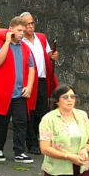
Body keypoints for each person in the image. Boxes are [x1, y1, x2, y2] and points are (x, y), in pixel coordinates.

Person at [0, 17, 36, 164]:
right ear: (10, 29)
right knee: (2, 122)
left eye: (24, 31)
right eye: (19, 30)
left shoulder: (25, 48)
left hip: (19, 93)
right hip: (4, 91)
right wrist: (8, 42)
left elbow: (31, 68)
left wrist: (29, 86)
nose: (22, 33)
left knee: (21, 122)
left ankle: (19, 152)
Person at [20, 12, 59, 155]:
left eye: (32, 23)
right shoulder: (20, 40)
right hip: (28, 81)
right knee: (29, 112)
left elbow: (48, 53)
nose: (30, 26)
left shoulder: (41, 38)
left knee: (42, 113)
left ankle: (38, 138)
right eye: (27, 24)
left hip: (42, 80)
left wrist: (53, 55)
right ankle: (31, 142)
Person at [39, 84, 89, 176]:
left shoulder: (82, 115)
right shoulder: (48, 119)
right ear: (57, 101)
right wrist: (69, 156)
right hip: (58, 170)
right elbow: (45, 149)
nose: (70, 99)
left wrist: (85, 150)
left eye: (73, 96)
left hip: (82, 167)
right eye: (65, 97)